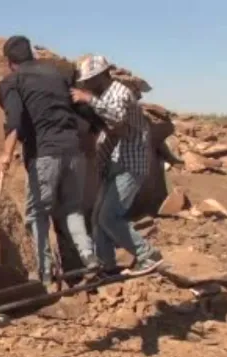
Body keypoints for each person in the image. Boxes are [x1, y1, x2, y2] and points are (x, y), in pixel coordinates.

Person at [0, 35, 99, 284]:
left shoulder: (13, 80)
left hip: (45, 154)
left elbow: (15, 120)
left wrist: (5, 155)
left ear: (11, 62)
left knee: (37, 214)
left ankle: (44, 272)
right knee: (72, 209)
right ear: (32, 54)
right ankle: (89, 257)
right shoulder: (56, 74)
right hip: (74, 152)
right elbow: (80, 107)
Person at [70, 55, 164, 275]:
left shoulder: (119, 92)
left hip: (130, 165)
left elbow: (118, 118)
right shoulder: (104, 95)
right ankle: (106, 264)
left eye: (90, 79)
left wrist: (88, 99)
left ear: (103, 75)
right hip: (114, 165)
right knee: (98, 217)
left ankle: (147, 254)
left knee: (109, 216)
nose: (86, 84)